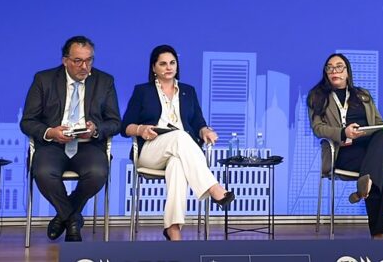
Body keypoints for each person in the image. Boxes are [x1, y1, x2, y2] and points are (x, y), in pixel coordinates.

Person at [121, 44, 235, 241]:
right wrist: (140, 130)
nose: (168, 67)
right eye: (163, 63)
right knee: (180, 136)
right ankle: (213, 187)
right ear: (153, 67)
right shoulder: (142, 91)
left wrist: (205, 130)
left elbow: (198, 122)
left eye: (172, 63)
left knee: (177, 164)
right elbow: (125, 127)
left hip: (180, 152)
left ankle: (173, 229)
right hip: (151, 149)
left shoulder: (188, 91)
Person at [20, 36, 121, 242]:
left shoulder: (105, 81)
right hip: (53, 145)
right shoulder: (44, 79)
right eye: (78, 61)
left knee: (98, 173)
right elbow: (28, 121)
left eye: (89, 60)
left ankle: (64, 217)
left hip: (88, 145)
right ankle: (73, 220)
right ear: (65, 60)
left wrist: (95, 130)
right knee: (43, 172)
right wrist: (51, 132)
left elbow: (115, 122)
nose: (84, 66)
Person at [307, 53, 383, 239]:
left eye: (339, 67)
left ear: (347, 72)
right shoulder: (318, 96)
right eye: (330, 68)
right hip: (342, 151)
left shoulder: (363, 95)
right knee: (381, 172)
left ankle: (367, 183)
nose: (334, 71)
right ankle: (378, 233)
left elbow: (379, 121)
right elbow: (318, 128)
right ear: (326, 73)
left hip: (370, 148)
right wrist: (343, 132)